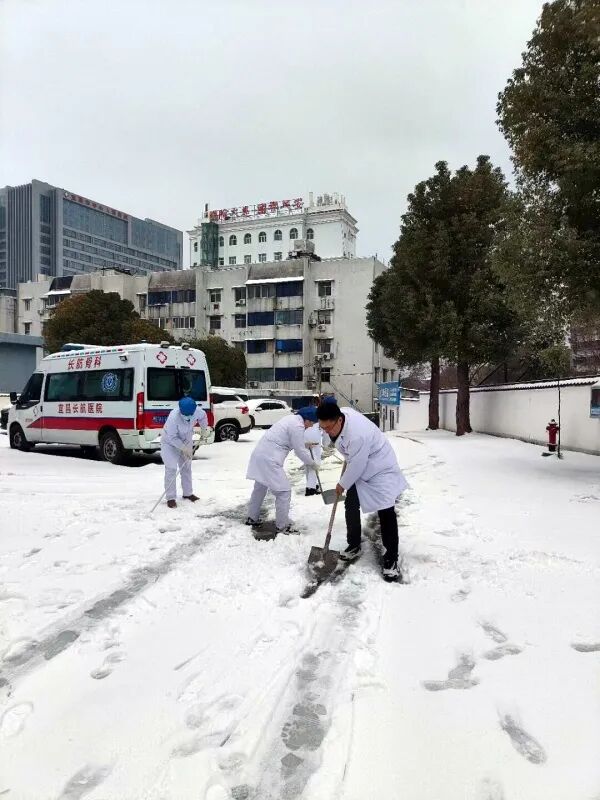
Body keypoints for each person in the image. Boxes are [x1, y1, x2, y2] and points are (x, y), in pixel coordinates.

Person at [316, 402, 409, 580]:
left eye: (328, 428)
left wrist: (342, 484)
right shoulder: (341, 416)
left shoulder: (358, 435)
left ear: (339, 420)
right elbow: (354, 458)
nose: (326, 431)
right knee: (351, 504)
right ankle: (354, 545)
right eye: (323, 428)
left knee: (386, 511)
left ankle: (391, 559)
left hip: (379, 467)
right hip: (358, 462)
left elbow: (358, 465)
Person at [246, 406, 320, 533]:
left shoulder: (290, 419)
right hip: (270, 459)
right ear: (307, 419)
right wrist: (312, 463)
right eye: (312, 422)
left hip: (260, 455)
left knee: (260, 488)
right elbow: (299, 451)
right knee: (284, 492)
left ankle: (252, 518)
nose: (311, 426)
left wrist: (305, 445)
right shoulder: (297, 426)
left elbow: (288, 440)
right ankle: (282, 525)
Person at [161, 396, 209, 509]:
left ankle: (188, 493)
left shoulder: (197, 411)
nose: (188, 417)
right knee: (171, 468)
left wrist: (204, 429)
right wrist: (184, 449)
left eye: (190, 414)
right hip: (169, 443)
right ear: (181, 411)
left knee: (186, 466)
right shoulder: (173, 417)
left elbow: (203, 417)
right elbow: (172, 437)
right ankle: (171, 498)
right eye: (186, 414)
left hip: (186, 439)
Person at [304, 421, 323, 496]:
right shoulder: (315, 426)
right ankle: (311, 488)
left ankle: (312, 486)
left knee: (309, 467)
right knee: (314, 467)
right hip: (313, 448)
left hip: (309, 447)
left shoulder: (308, 426)